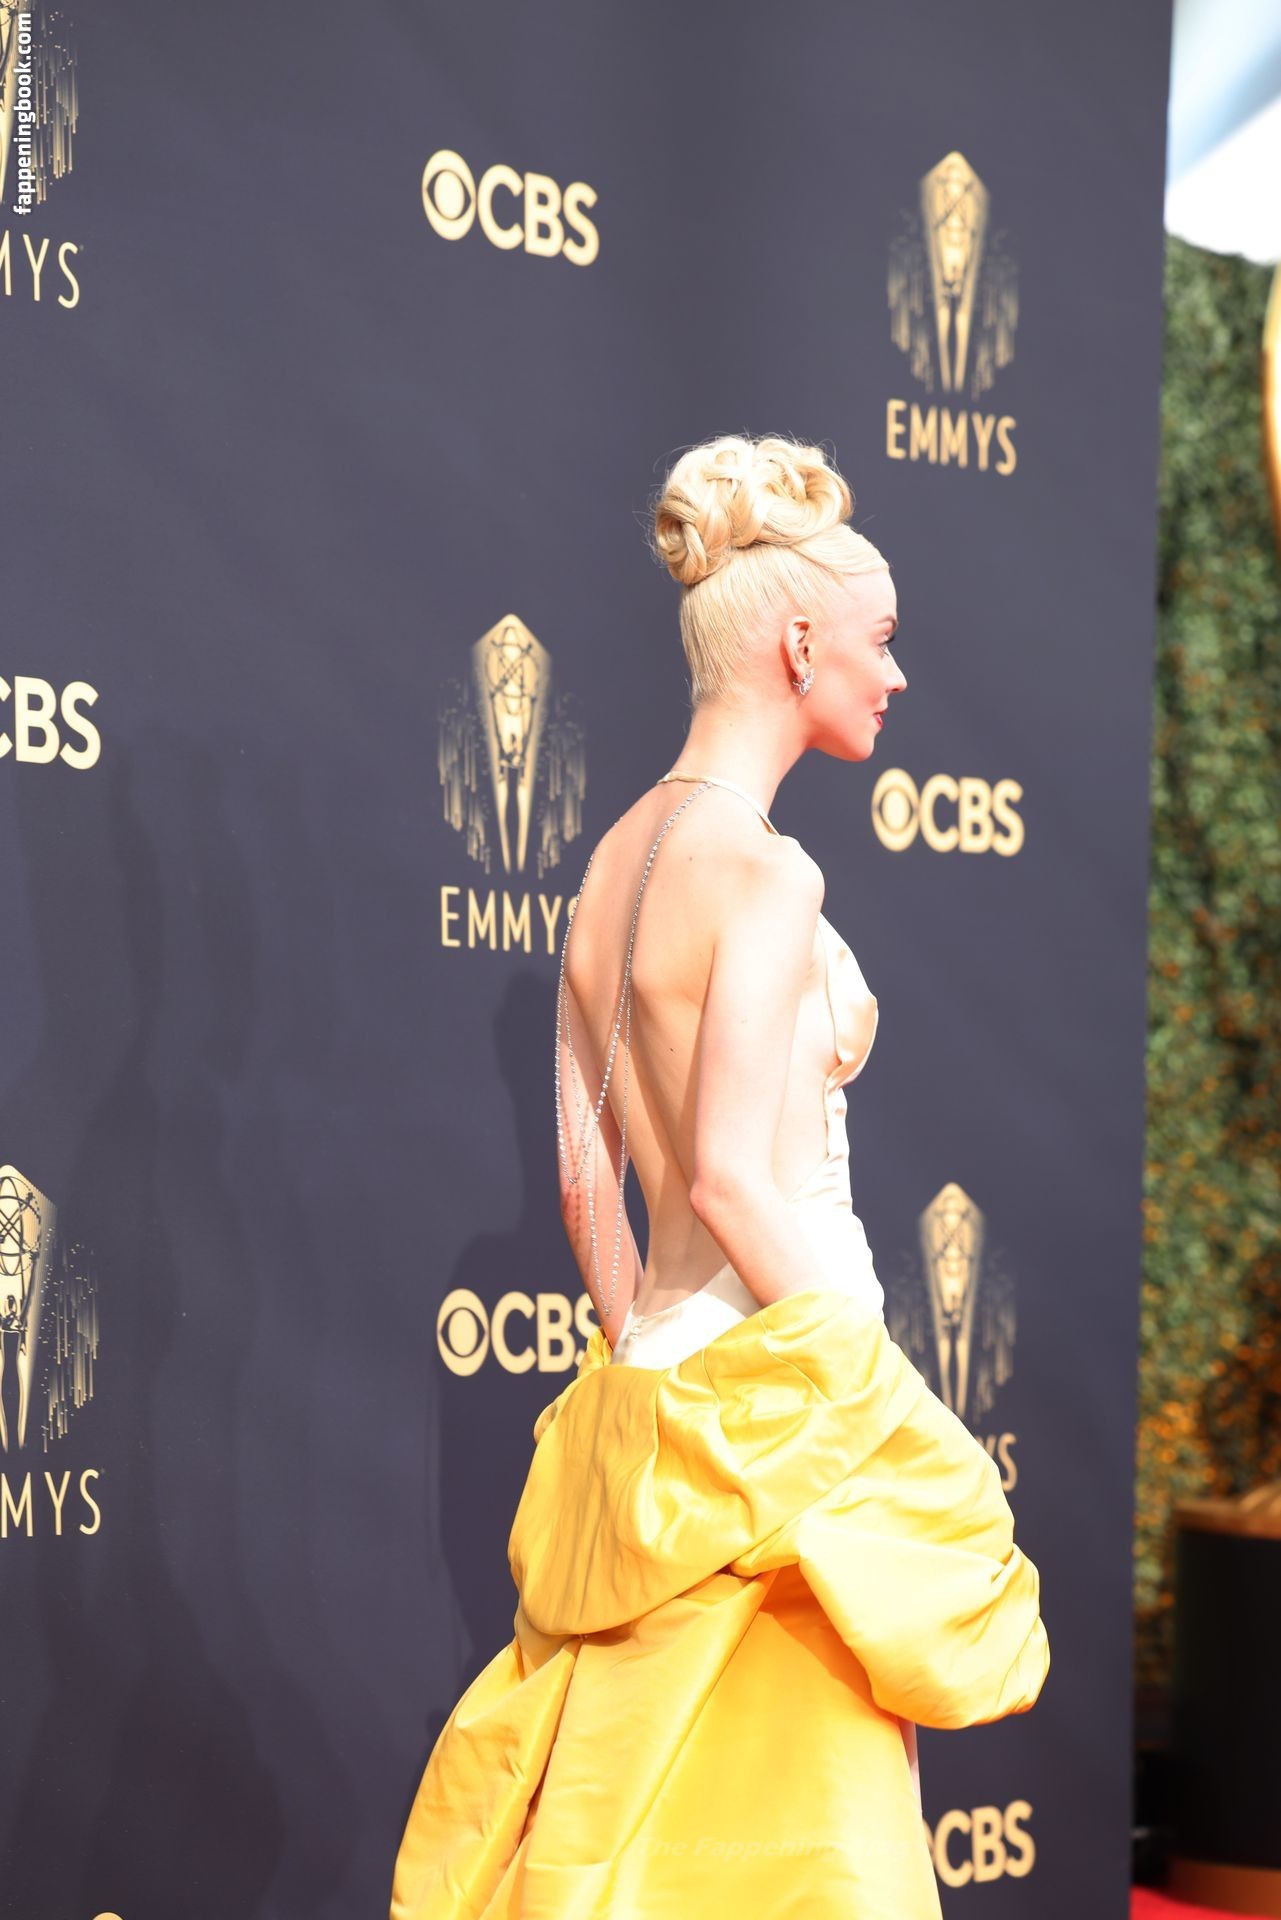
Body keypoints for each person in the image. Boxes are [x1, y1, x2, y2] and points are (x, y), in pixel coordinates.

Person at [390, 433, 1050, 1919]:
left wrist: (654, 1385)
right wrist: (879, 1402)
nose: (895, 676)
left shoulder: (606, 869)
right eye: (880, 641)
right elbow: (738, 1186)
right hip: (790, 1396)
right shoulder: (767, 874)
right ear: (799, 643)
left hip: (665, 1387)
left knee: (646, 1850)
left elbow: (588, 1190)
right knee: (807, 1856)